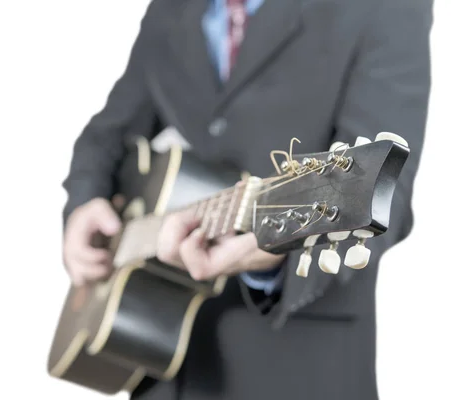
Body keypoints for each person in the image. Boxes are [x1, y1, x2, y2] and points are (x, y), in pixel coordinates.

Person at [60, 0, 432, 399]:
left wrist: (274, 255)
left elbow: (382, 188)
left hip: (298, 366)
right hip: (159, 364)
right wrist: (85, 200)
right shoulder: (170, 7)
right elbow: (107, 133)